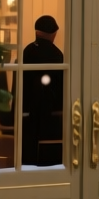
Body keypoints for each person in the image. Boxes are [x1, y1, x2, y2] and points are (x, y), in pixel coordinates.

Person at [19, 15, 65, 167]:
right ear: (53, 33)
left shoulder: (26, 52)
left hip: (26, 114)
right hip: (52, 117)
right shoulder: (57, 55)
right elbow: (60, 88)